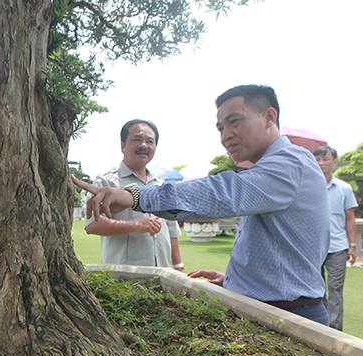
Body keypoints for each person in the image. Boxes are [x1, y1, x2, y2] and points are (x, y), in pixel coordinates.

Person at [73, 84, 331, 325]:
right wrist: (236, 282)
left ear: (269, 117)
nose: (226, 135)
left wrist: (134, 196)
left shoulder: (290, 163)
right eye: (220, 128)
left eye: (234, 122)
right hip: (271, 305)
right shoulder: (271, 168)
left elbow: (222, 193)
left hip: (290, 314)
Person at [83, 119, 183, 270]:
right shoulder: (106, 181)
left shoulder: (162, 185)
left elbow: (171, 229)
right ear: (122, 145)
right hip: (124, 277)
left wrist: (178, 266)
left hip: (163, 274)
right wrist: (134, 226)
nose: (144, 145)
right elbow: (92, 225)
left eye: (150, 141)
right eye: (137, 139)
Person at [313, 146, 358, 330]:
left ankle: (335, 332)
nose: (321, 163)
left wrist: (352, 245)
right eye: (317, 159)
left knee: (336, 291)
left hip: (337, 247)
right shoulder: (309, 187)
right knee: (317, 291)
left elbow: (350, 218)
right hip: (314, 247)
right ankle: (321, 328)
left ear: (335, 162)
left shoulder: (344, 189)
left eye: (325, 159)